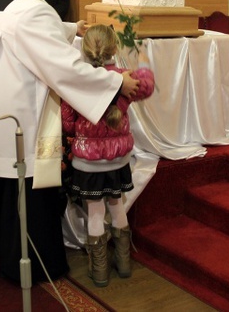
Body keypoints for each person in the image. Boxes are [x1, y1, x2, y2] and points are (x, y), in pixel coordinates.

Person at [0, 0, 140, 284]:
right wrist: (116, 83)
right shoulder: (33, 9)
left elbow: (35, 33)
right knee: (23, 184)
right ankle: (29, 262)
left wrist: (72, 28)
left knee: (1, 184)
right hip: (22, 112)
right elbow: (64, 67)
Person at [62, 24, 154, 287]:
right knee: (116, 205)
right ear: (114, 48)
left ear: (84, 49)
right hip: (118, 159)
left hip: (88, 162)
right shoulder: (124, 78)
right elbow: (146, 86)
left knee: (94, 211)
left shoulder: (78, 82)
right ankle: (124, 264)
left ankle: (100, 271)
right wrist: (143, 60)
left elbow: (67, 124)